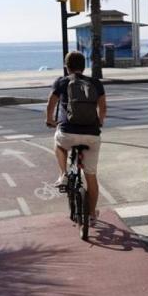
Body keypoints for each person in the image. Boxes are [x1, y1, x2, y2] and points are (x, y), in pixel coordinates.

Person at [45, 51, 108, 220]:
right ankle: (92, 214)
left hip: (67, 132)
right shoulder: (95, 83)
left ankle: (63, 174)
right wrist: (100, 121)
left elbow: (51, 103)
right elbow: (103, 107)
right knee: (91, 177)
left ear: (67, 67)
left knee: (58, 143)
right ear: (83, 66)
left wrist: (50, 120)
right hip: (92, 135)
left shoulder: (62, 82)